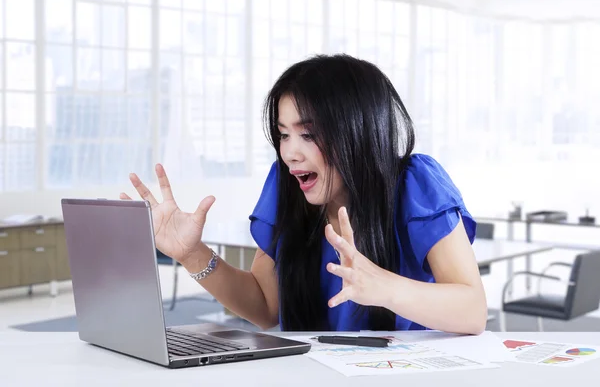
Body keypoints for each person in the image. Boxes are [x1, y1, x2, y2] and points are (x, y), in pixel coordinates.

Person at [121, 54, 487, 334]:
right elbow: (266, 308)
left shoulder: (415, 184)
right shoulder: (287, 189)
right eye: (283, 134)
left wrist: (382, 287)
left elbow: (472, 310)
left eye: (308, 134)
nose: (291, 152)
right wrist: (192, 254)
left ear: (359, 133)